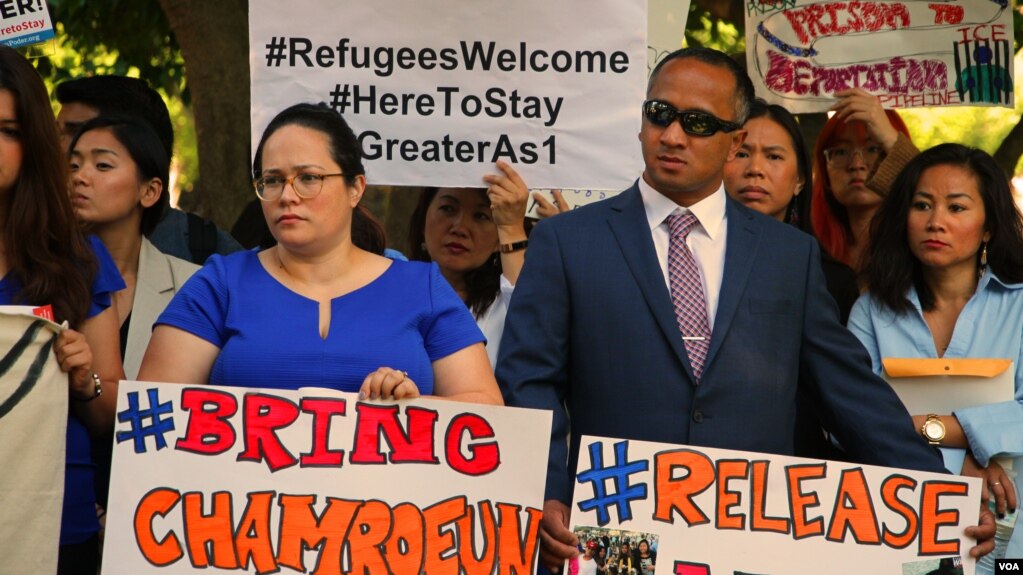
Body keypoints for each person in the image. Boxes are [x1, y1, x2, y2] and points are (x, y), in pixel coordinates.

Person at [495, 47, 994, 569]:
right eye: (659, 114)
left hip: (750, 541)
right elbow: (530, 380)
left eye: (697, 123)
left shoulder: (788, 255)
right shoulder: (568, 241)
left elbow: (849, 393)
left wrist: (940, 490)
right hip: (613, 535)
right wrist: (546, 490)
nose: (671, 135)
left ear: (734, 141)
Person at [138, 103, 501, 405]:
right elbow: (153, 411)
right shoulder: (220, 283)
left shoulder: (422, 286)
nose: (287, 195)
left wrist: (413, 406)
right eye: (273, 180)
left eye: (308, 178)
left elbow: (489, 412)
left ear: (355, 188)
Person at [847, 144, 1023, 569]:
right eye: (922, 205)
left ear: (987, 227)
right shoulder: (871, 311)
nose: (935, 222)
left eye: (956, 207)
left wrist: (936, 428)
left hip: (1010, 522)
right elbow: (850, 420)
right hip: (898, 519)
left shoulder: (1019, 306)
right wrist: (962, 458)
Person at [0, 45, 126, 574]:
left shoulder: (74, 257)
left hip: (50, 522)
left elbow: (110, 410)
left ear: (32, 142)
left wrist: (83, 377)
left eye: (6, 129)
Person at [55, 75, 243, 264]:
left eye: (77, 132)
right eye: (56, 133)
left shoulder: (212, 257)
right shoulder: (39, 248)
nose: (58, 146)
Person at [69, 114, 199, 379]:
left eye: (103, 165)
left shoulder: (193, 286)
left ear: (150, 191)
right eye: (73, 165)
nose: (80, 176)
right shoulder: (36, 273)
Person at [723, 98, 858, 322]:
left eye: (773, 156)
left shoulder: (831, 281)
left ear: (800, 180)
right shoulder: (691, 260)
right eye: (742, 154)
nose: (755, 169)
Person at [407, 160, 530, 367]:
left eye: (481, 216)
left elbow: (532, 324)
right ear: (423, 219)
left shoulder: (505, 306)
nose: (460, 227)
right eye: (447, 209)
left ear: (499, 240)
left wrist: (511, 226)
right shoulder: (389, 288)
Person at [810, 88, 918, 275]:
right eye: (841, 152)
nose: (857, 164)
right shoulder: (810, 251)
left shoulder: (922, 246)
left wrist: (889, 137)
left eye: (874, 149)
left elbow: (931, 193)